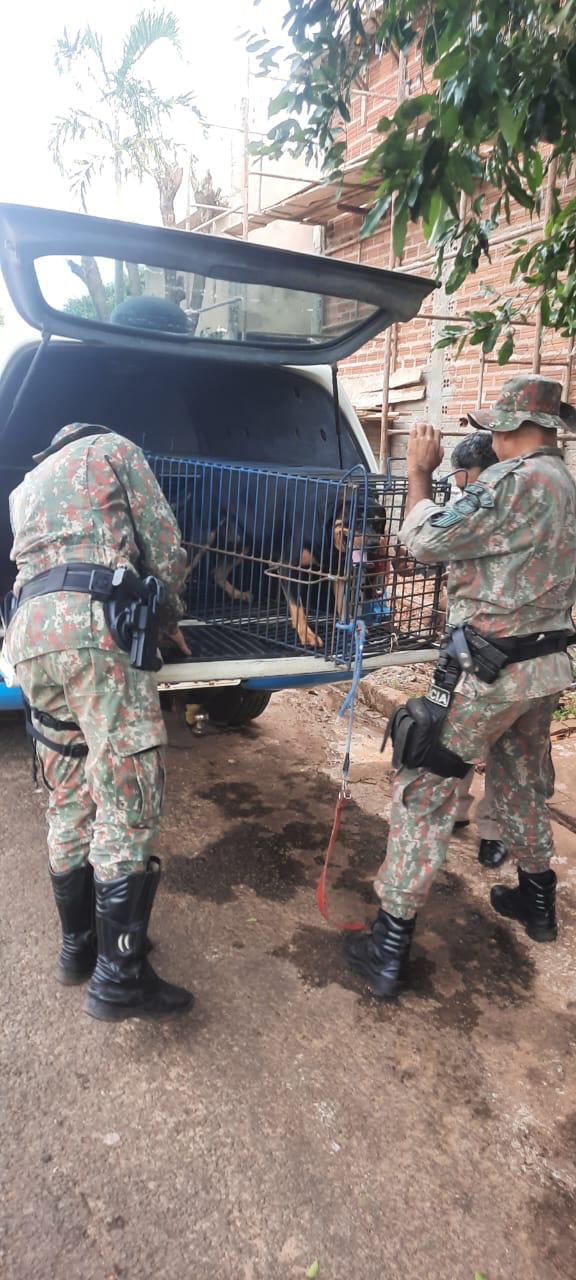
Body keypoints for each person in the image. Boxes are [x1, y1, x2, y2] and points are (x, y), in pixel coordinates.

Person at [345, 375, 576, 1000]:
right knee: (523, 783)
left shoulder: (512, 481)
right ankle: (537, 905)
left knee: (425, 790)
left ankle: (388, 946)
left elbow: (424, 541)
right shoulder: (565, 483)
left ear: (510, 427)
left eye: (493, 427)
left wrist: (419, 473)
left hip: (488, 673)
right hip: (543, 669)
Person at [4, 421, 194, 1022]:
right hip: (93, 627)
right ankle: (119, 977)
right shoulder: (114, 449)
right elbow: (166, 551)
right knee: (127, 796)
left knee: (68, 793)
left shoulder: (25, 485)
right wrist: (165, 620)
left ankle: (78, 947)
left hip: (28, 637)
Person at [449, 433, 508, 869]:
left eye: (463, 478)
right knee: (468, 739)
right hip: (480, 645)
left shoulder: (496, 507)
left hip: (496, 647)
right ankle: (471, 820)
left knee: (493, 744)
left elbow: (427, 541)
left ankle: (487, 828)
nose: (460, 489)